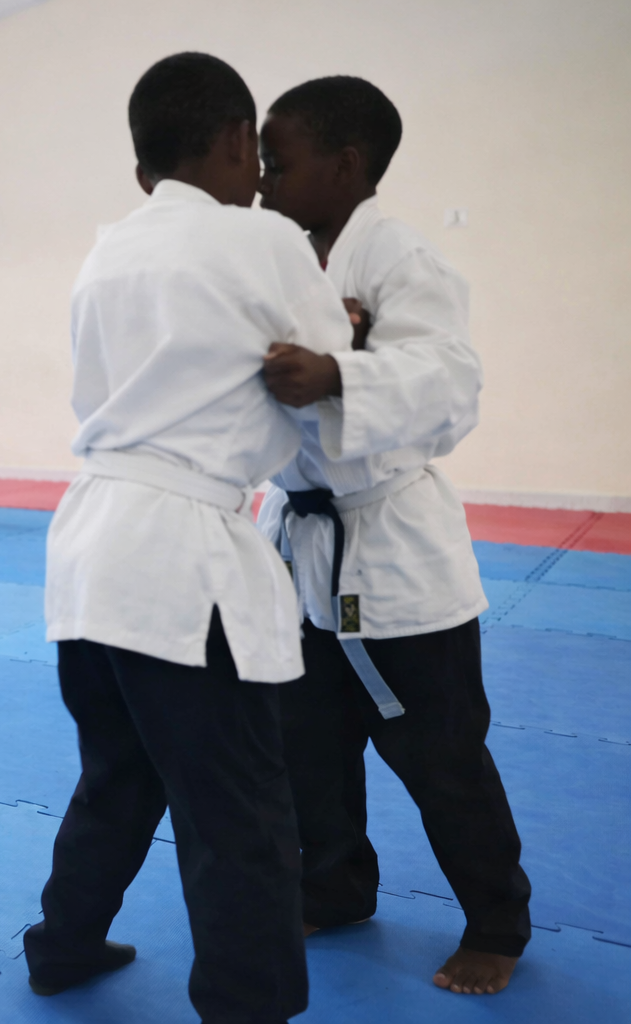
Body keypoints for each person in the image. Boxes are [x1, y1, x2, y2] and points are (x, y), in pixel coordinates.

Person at [26, 53, 357, 1024]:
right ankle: (247, 1007)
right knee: (240, 811)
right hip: (181, 557)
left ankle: (64, 947)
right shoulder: (264, 240)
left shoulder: (107, 249)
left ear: (143, 169)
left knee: (119, 770)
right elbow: (318, 382)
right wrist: (346, 337)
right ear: (235, 142)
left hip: (88, 546)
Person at [255, 76, 530, 997]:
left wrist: (341, 372)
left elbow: (453, 383)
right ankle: (334, 886)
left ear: (346, 165)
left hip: (395, 556)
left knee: (442, 755)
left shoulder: (405, 259)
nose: (261, 179)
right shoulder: (286, 260)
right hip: (304, 554)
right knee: (310, 745)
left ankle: (497, 919)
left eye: (278, 161)